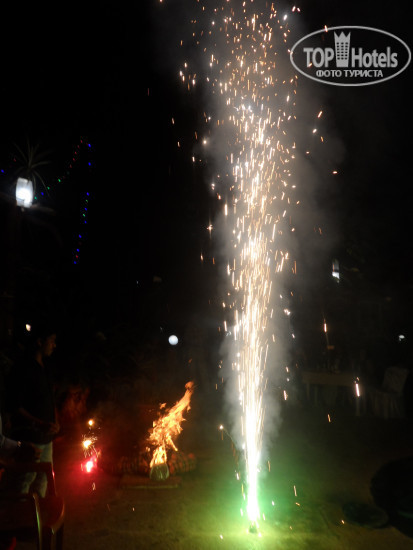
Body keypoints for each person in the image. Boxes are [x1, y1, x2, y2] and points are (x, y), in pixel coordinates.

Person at [6, 323, 59, 497]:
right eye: (51, 341)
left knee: (43, 478)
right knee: (25, 479)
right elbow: (15, 406)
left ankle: (37, 511)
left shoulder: (46, 368)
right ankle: (19, 511)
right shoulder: (23, 369)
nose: (54, 345)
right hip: (30, 437)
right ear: (39, 342)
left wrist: (55, 422)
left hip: (46, 438)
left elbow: (50, 399)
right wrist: (40, 423)